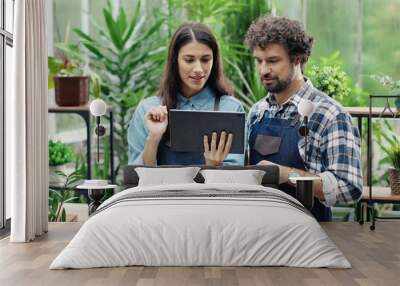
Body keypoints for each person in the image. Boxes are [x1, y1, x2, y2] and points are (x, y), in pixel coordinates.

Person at [245, 16, 362, 221]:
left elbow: (349, 187)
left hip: (308, 236)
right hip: (259, 231)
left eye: (273, 61)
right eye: (259, 61)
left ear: (297, 59)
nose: (264, 70)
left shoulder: (329, 114)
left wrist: (285, 174)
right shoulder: (257, 112)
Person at [128, 22, 244, 166]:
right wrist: (154, 137)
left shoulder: (230, 109)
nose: (198, 69)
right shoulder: (148, 109)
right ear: (175, 60)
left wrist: (214, 165)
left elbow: (236, 177)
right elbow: (137, 176)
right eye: (189, 60)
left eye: (205, 59)